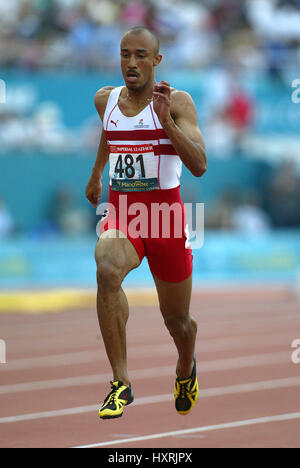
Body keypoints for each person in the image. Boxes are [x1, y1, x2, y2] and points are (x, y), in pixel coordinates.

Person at [85, 26, 207, 420]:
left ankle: (186, 366)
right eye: (124, 54)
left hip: (165, 220)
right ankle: (120, 382)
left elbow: (200, 166)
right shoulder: (105, 100)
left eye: (140, 55)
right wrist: (97, 173)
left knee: (178, 322)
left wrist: (166, 123)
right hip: (123, 215)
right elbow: (110, 134)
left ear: (156, 60)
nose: (131, 63)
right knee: (106, 267)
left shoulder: (178, 103)